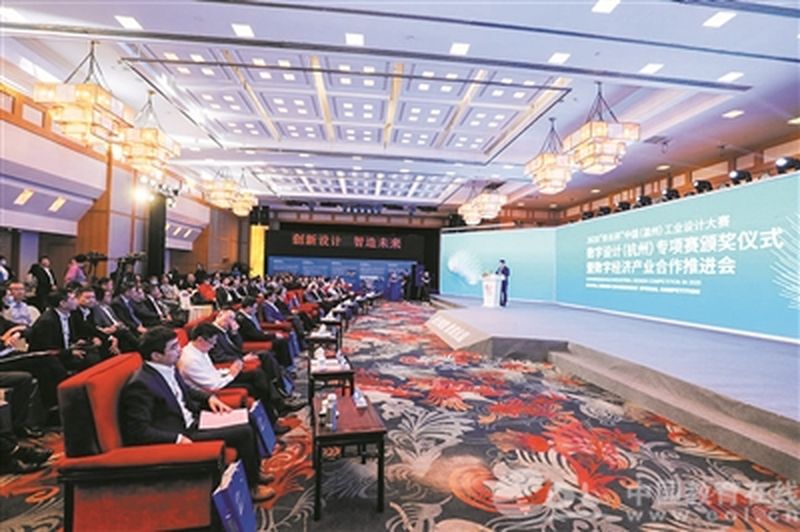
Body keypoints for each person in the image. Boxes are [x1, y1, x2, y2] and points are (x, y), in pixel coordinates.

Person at [119, 327, 276, 502]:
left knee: (245, 417)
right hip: (182, 432)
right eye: (173, 347)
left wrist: (209, 398)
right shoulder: (140, 385)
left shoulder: (167, 367)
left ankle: (254, 472)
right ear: (156, 355)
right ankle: (252, 487)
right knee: (243, 432)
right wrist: (177, 439)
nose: (179, 350)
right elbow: (138, 431)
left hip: (193, 419)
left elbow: (185, 390)